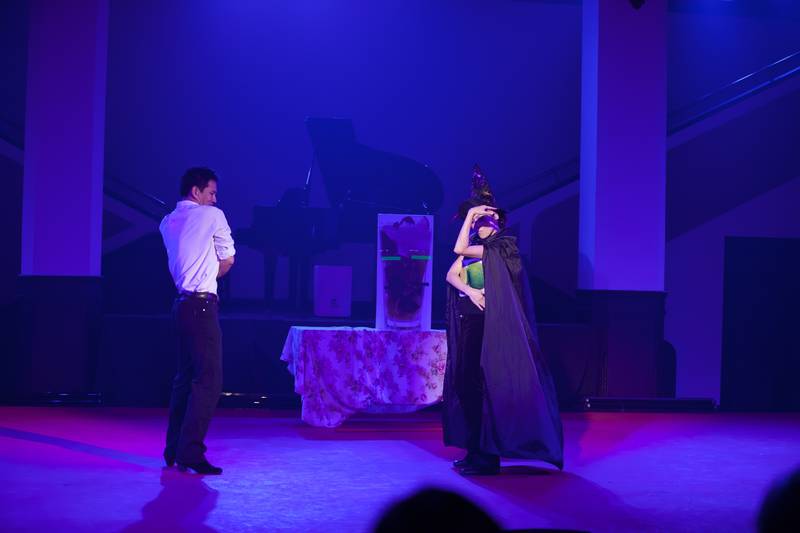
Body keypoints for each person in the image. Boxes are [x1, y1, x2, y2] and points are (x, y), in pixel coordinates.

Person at [442, 164, 564, 475]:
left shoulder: (502, 247)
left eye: (486, 219)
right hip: (469, 320)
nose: (481, 224)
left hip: (490, 326)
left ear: (497, 222)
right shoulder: (476, 250)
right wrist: (471, 290)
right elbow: (451, 274)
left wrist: (472, 215)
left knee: (483, 387)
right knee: (465, 385)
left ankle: (487, 456)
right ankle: (474, 450)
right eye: (478, 220)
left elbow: (458, 247)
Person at [159, 167, 235, 475]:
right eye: (212, 193)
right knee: (208, 381)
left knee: (184, 379)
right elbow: (227, 260)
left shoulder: (167, 221)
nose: (215, 199)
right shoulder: (212, 216)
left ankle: (173, 448)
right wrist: (210, 271)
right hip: (202, 307)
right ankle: (190, 451)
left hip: (180, 306)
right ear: (196, 191)